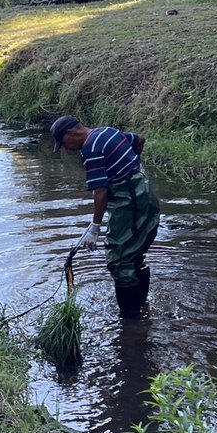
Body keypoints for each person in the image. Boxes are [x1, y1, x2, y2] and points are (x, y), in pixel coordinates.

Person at [51, 115, 160, 318]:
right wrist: (129, 170)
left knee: (119, 260)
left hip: (131, 203)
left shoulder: (90, 148)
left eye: (63, 143)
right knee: (136, 254)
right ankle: (143, 308)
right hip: (145, 194)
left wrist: (95, 227)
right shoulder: (108, 131)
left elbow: (100, 192)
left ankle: (130, 320)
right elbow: (139, 140)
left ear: (70, 133)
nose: (66, 149)